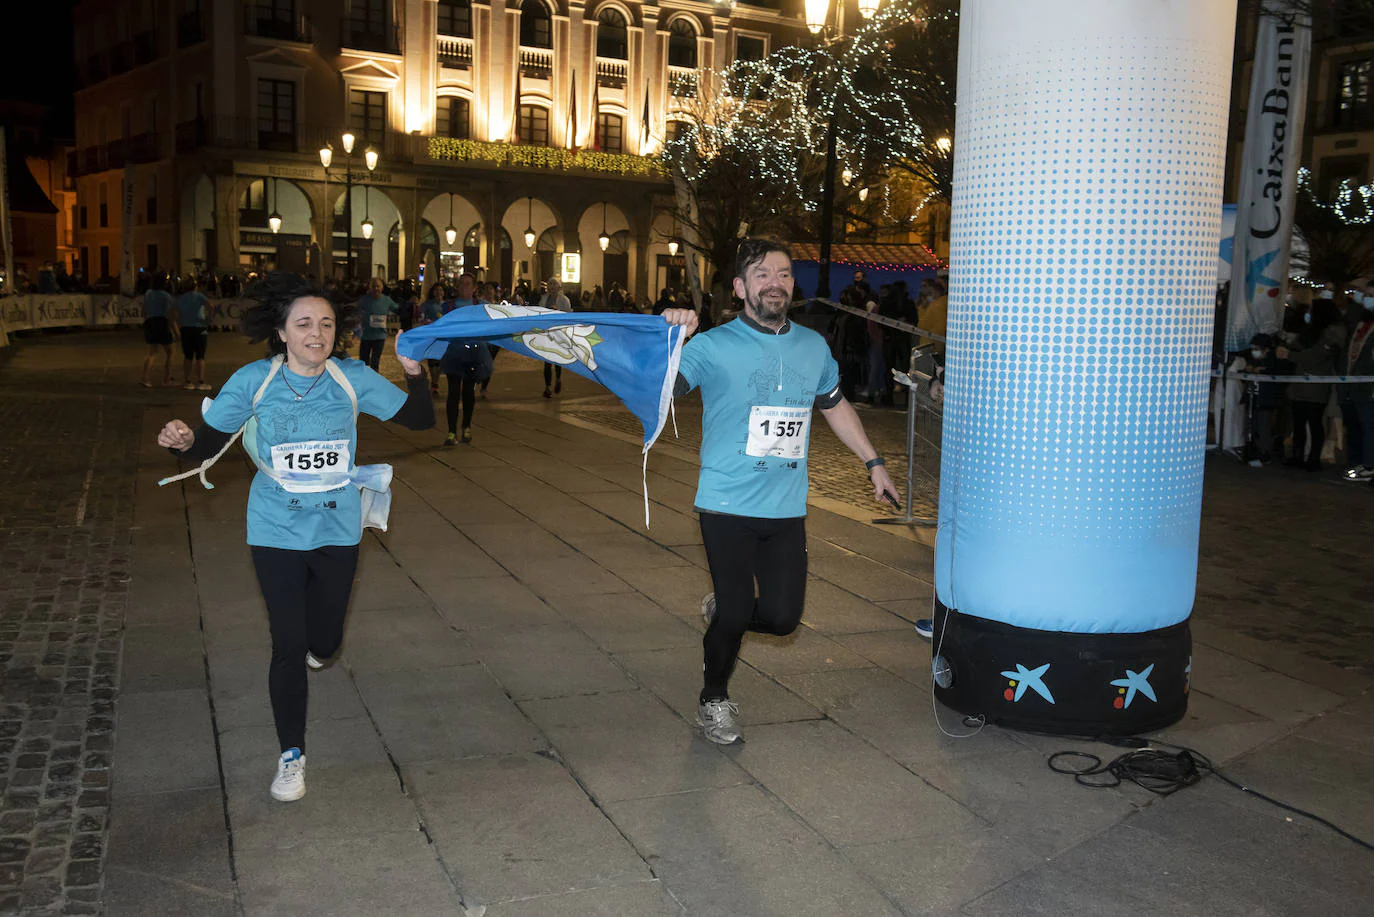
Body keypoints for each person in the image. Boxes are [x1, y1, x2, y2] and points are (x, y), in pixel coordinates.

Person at [155, 273, 434, 802]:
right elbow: (203, 442)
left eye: (326, 324)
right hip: (274, 528)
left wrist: (415, 373)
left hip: (337, 527)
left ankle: (318, 648)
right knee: (287, 645)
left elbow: (420, 420)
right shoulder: (254, 381)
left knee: (323, 642)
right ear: (282, 332)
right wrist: (182, 439)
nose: (317, 333)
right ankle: (291, 756)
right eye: (304, 323)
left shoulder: (352, 378)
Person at [661, 239, 899, 745]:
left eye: (785, 274)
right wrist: (671, 336)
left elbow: (834, 405)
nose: (775, 282)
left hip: (786, 507)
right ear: (741, 287)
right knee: (734, 609)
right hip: (725, 502)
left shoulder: (813, 346)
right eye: (762, 274)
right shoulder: (713, 345)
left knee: (782, 618)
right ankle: (714, 699)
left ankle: (726, 612)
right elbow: (661, 386)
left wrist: (873, 462)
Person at [1279, 296, 1345, 472]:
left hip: (1316, 385)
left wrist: (1290, 355)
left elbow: (1316, 357)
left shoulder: (1332, 333)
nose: (1308, 314)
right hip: (1300, 384)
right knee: (1299, 422)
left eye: (1311, 310)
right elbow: (1296, 346)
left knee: (1315, 423)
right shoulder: (1309, 331)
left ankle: (1314, 458)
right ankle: (1297, 455)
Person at [439, 273, 493, 445]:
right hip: (454, 353)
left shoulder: (481, 306)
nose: (465, 287)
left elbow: (497, 317)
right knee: (453, 392)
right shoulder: (448, 306)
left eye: (468, 284)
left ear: (475, 287)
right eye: (461, 284)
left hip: (474, 354)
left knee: (468, 392)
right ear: (457, 286)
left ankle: (466, 427)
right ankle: (451, 432)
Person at [1340, 292, 1374, 482]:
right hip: (1355, 387)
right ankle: (1360, 463)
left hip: (1368, 387)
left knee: (1369, 427)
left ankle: (1368, 465)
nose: (1367, 299)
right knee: (1358, 427)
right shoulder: (1360, 326)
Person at [174, 277, 212, 391]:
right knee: (200, 355)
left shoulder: (180, 299)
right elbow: (210, 307)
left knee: (188, 356)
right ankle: (200, 381)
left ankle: (188, 381)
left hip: (185, 328)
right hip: (200, 328)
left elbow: (176, 313)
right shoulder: (199, 296)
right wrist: (207, 320)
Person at [140, 273, 176, 388]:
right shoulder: (166, 296)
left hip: (150, 322)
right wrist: (175, 330)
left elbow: (144, 309)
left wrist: (146, 321)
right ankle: (167, 378)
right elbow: (170, 313)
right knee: (170, 352)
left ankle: (145, 378)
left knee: (152, 352)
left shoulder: (148, 294)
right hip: (161, 321)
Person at [355, 277, 399, 371]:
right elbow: (356, 312)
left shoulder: (387, 300)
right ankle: (364, 382)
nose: (376, 289)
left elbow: (397, 309)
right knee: (363, 362)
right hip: (366, 336)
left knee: (375, 362)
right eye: (373, 286)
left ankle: (374, 383)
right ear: (369, 288)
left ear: (382, 287)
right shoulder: (364, 300)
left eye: (378, 286)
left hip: (379, 336)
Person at [539, 279, 572, 397]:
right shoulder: (544, 299)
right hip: (546, 333)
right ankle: (547, 387)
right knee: (547, 361)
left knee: (558, 359)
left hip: (559, 333)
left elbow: (568, 315)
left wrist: (558, 312)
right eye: (550, 285)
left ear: (559, 287)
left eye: (554, 285)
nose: (552, 287)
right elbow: (539, 312)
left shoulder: (564, 300)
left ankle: (558, 379)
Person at [420, 283, 446, 396]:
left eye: (440, 290)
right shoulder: (428, 305)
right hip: (431, 335)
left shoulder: (446, 305)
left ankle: (435, 382)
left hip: (443, 336)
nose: (438, 293)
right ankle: (434, 382)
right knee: (431, 360)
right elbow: (421, 316)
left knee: (439, 361)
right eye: (436, 290)